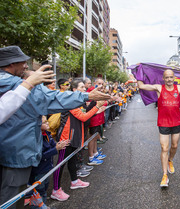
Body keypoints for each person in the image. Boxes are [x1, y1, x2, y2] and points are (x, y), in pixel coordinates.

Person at [0, 45, 111, 208]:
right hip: (16, 153)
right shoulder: (16, 84)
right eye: (23, 62)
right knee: (11, 198)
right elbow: (51, 99)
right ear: (11, 64)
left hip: (11, 151)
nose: (26, 66)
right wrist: (87, 96)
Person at [137, 69, 180, 188]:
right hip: (163, 123)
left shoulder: (179, 88)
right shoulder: (159, 88)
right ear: (163, 78)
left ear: (174, 77)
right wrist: (139, 70)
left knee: (174, 146)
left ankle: (170, 160)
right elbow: (141, 85)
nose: (169, 79)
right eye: (166, 77)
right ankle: (164, 175)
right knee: (164, 148)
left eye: (171, 77)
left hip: (176, 122)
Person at [51, 78, 106, 201]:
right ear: (74, 89)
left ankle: (74, 181)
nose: (84, 89)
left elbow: (85, 113)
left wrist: (96, 104)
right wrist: (97, 107)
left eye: (84, 87)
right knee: (60, 164)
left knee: (72, 161)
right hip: (66, 138)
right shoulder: (71, 102)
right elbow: (83, 117)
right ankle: (55, 189)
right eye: (82, 87)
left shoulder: (77, 102)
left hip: (74, 136)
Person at [28, 116, 69, 208]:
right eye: (45, 122)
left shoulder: (47, 133)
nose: (48, 123)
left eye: (47, 121)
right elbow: (40, 156)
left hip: (47, 167)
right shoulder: (36, 138)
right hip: (39, 170)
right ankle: (38, 206)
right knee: (38, 191)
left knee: (45, 189)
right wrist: (56, 149)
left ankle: (43, 205)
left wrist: (60, 144)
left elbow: (53, 145)